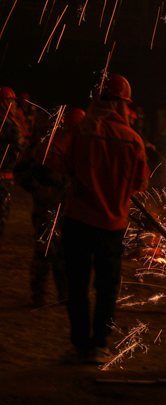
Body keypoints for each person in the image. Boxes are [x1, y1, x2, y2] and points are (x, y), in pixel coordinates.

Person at [46, 74, 150, 365]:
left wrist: (73, 172)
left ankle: (80, 345)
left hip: (78, 219)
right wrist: (116, 186)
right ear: (123, 104)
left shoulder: (81, 130)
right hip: (112, 225)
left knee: (77, 285)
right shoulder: (134, 140)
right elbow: (140, 183)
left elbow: (50, 153)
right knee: (107, 287)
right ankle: (100, 346)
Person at [26, 107, 85, 308]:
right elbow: (21, 171)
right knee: (44, 250)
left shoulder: (81, 147)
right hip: (47, 207)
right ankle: (38, 294)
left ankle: (64, 293)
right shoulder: (46, 145)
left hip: (69, 208)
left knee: (66, 252)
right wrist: (39, 189)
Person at [0, 86, 26, 248]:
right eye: (12, 102)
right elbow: (24, 149)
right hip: (3, 179)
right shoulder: (10, 125)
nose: (15, 106)